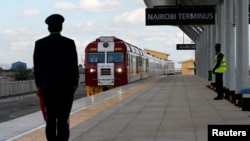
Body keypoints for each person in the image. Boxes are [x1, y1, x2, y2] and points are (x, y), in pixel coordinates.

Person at [33, 14, 79, 141]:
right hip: (66, 89)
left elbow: (37, 68)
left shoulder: (40, 44)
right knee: (63, 119)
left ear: (48, 28)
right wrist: (74, 83)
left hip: (48, 88)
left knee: (51, 119)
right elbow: (74, 66)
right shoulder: (69, 43)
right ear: (61, 27)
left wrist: (40, 85)